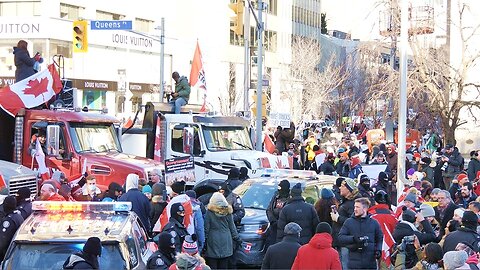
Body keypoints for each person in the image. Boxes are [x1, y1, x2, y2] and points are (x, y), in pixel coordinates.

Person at [338, 197, 383, 270]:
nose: (355, 209)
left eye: (357, 207)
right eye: (354, 207)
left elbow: (380, 239)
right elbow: (340, 238)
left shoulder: (374, 223)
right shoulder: (349, 222)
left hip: (370, 265)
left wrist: (378, 250)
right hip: (354, 265)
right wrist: (353, 239)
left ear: (365, 209)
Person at [204, 192, 241, 269]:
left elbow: (206, 229)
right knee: (224, 265)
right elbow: (232, 228)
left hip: (213, 240)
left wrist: (204, 241)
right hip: (226, 240)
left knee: (212, 265)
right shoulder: (228, 211)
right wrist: (237, 238)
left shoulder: (209, 212)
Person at [266, 179, 290, 247]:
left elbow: (289, 213)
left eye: (280, 188)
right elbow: (269, 209)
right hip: (274, 228)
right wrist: (273, 221)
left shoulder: (290, 199)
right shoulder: (276, 196)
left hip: (284, 230)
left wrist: (280, 222)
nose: (279, 190)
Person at [0, 196, 24, 261]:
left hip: (7, 254)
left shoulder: (8, 220)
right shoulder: (18, 216)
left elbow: (2, 242)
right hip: (16, 251)